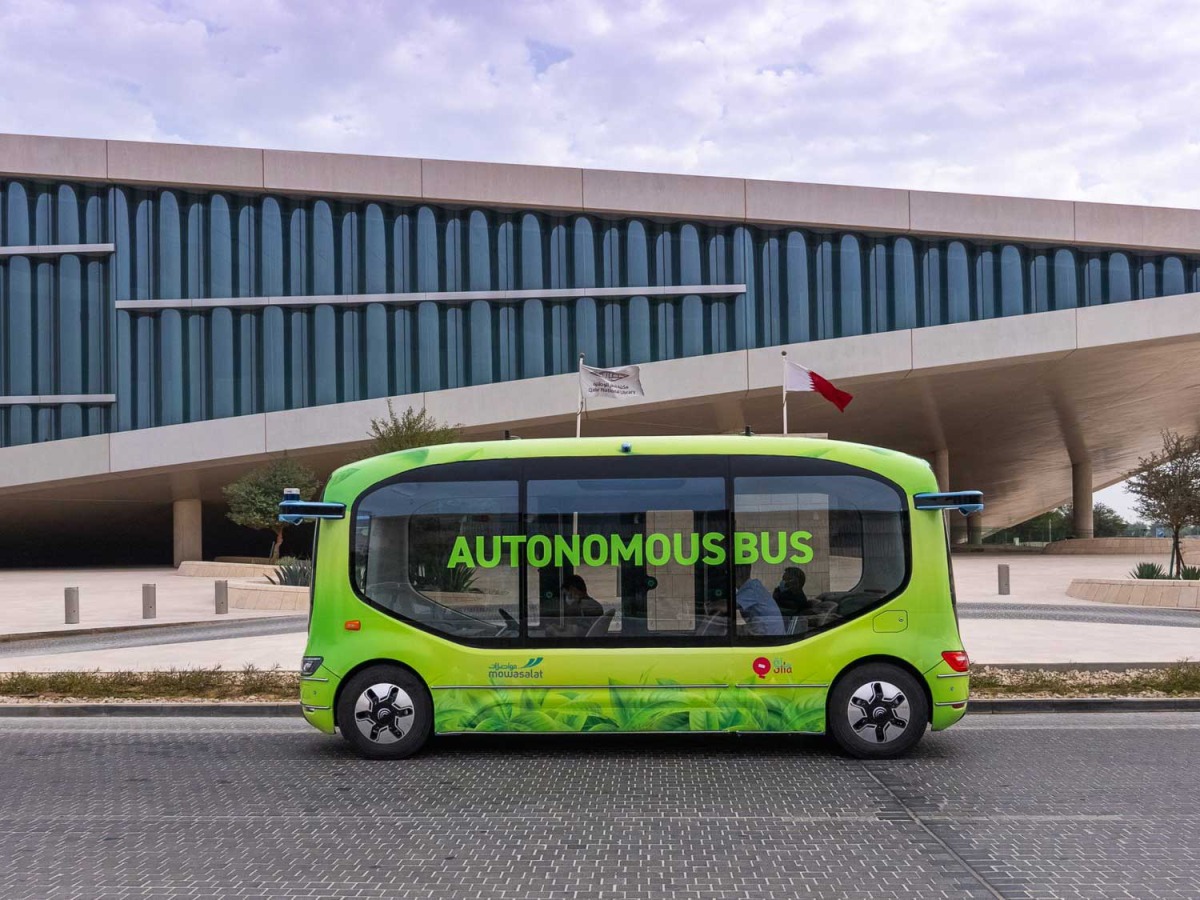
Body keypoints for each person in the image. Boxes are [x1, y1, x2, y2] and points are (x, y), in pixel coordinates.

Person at [735, 564, 785, 636]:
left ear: (740, 572)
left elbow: (727, 606)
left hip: (769, 640)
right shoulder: (751, 586)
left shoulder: (751, 589)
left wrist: (713, 605)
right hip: (765, 634)